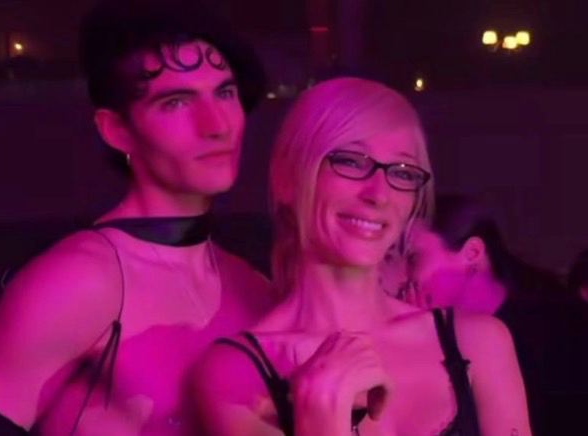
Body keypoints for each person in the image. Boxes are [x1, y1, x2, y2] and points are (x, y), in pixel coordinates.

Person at [0, 0, 277, 434]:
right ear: (116, 130)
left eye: (225, 93)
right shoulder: (76, 281)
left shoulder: (252, 287)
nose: (217, 125)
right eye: (176, 102)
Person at [193, 77, 531, 435]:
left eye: (402, 172)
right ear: (287, 177)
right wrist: (322, 420)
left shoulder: (478, 342)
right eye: (351, 162)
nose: (378, 194)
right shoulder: (236, 374)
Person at [405, 195, 586, 435]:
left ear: (472, 253)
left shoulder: (562, 332)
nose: (404, 274)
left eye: (414, 258)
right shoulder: (437, 332)